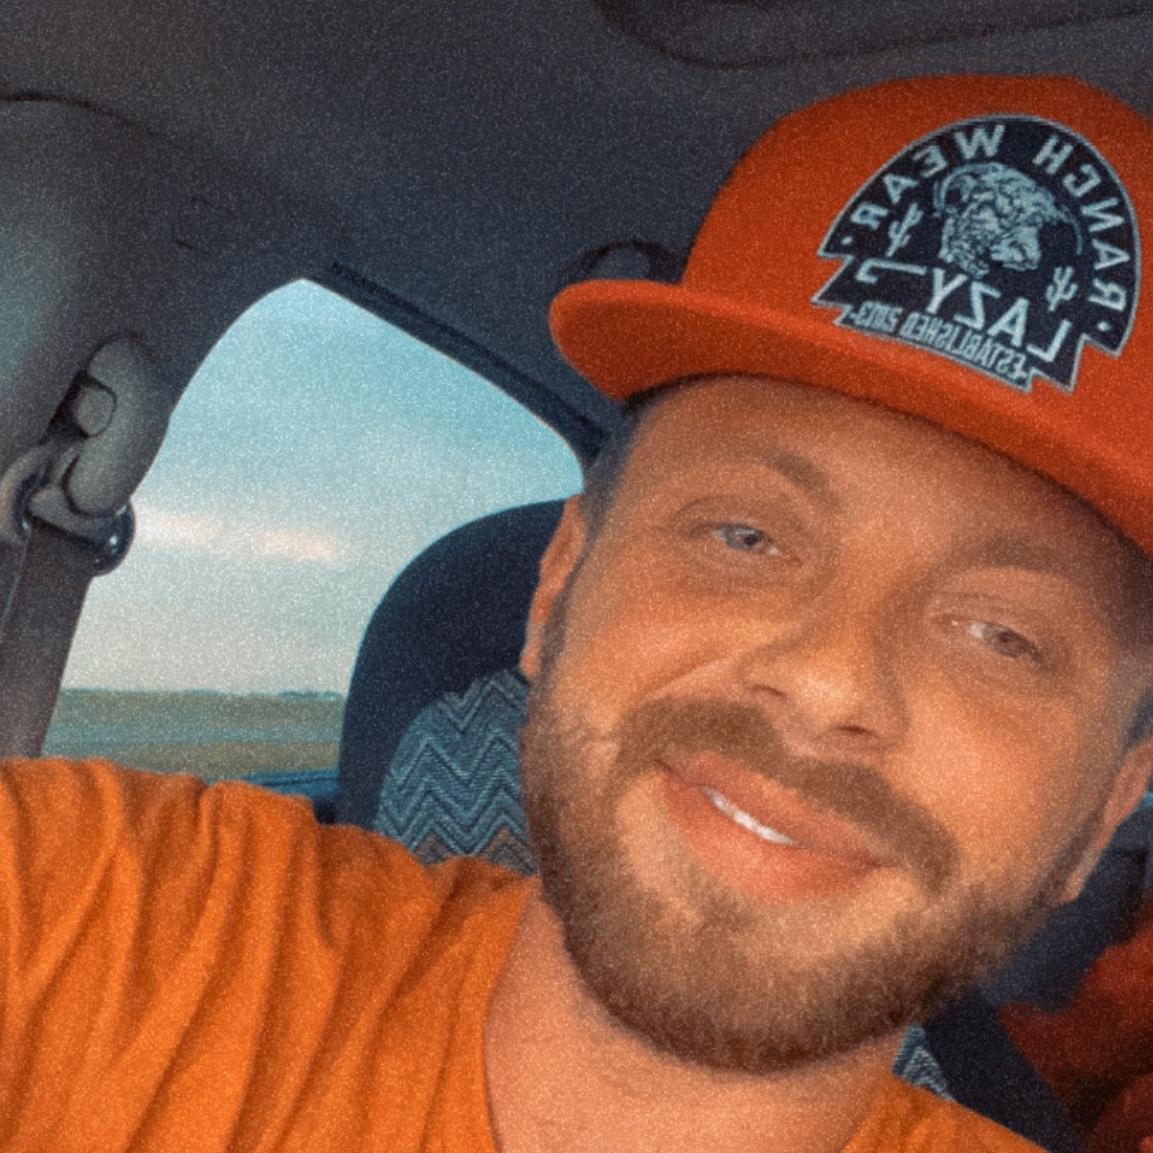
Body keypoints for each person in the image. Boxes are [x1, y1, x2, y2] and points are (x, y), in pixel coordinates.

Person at [1, 72, 1150, 1153]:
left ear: (1103, 812)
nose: (830, 677)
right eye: (744, 536)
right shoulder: (98, 927)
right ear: (559, 586)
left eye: (1002, 635)